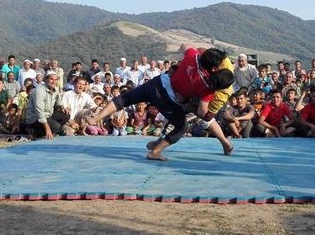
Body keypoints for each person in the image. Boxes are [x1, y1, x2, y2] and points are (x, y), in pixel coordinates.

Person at [93, 44, 235, 161]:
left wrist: (193, 55)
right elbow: (203, 113)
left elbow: (183, 45)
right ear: (215, 68)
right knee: (182, 126)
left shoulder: (193, 55)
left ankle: (95, 118)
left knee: (126, 98)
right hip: (171, 99)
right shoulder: (208, 87)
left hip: (159, 82)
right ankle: (155, 151)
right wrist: (187, 102)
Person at [26, 71, 70, 139]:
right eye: (51, 79)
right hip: (35, 118)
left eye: (56, 80)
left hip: (48, 115)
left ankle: (51, 130)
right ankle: (34, 130)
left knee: (66, 115)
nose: (53, 81)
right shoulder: (39, 91)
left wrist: (62, 107)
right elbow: (39, 111)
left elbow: (58, 102)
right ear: (46, 79)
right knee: (57, 126)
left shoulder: (55, 89)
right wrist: (48, 129)